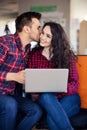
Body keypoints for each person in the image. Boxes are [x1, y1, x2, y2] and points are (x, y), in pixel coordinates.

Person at [27, 22, 81, 130]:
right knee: (47, 96)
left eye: (48, 36)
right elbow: (31, 84)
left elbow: (75, 82)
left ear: (56, 39)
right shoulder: (34, 56)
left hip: (69, 98)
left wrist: (58, 92)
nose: (42, 37)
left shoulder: (67, 56)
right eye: (42, 33)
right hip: (46, 99)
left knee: (52, 118)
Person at [0, 11, 42, 130]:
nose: (41, 31)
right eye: (38, 27)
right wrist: (12, 76)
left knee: (35, 111)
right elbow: (15, 75)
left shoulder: (27, 48)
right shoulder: (5, 43)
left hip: (10, 94)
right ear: (26, 29)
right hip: (3, 95)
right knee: (10, 105)